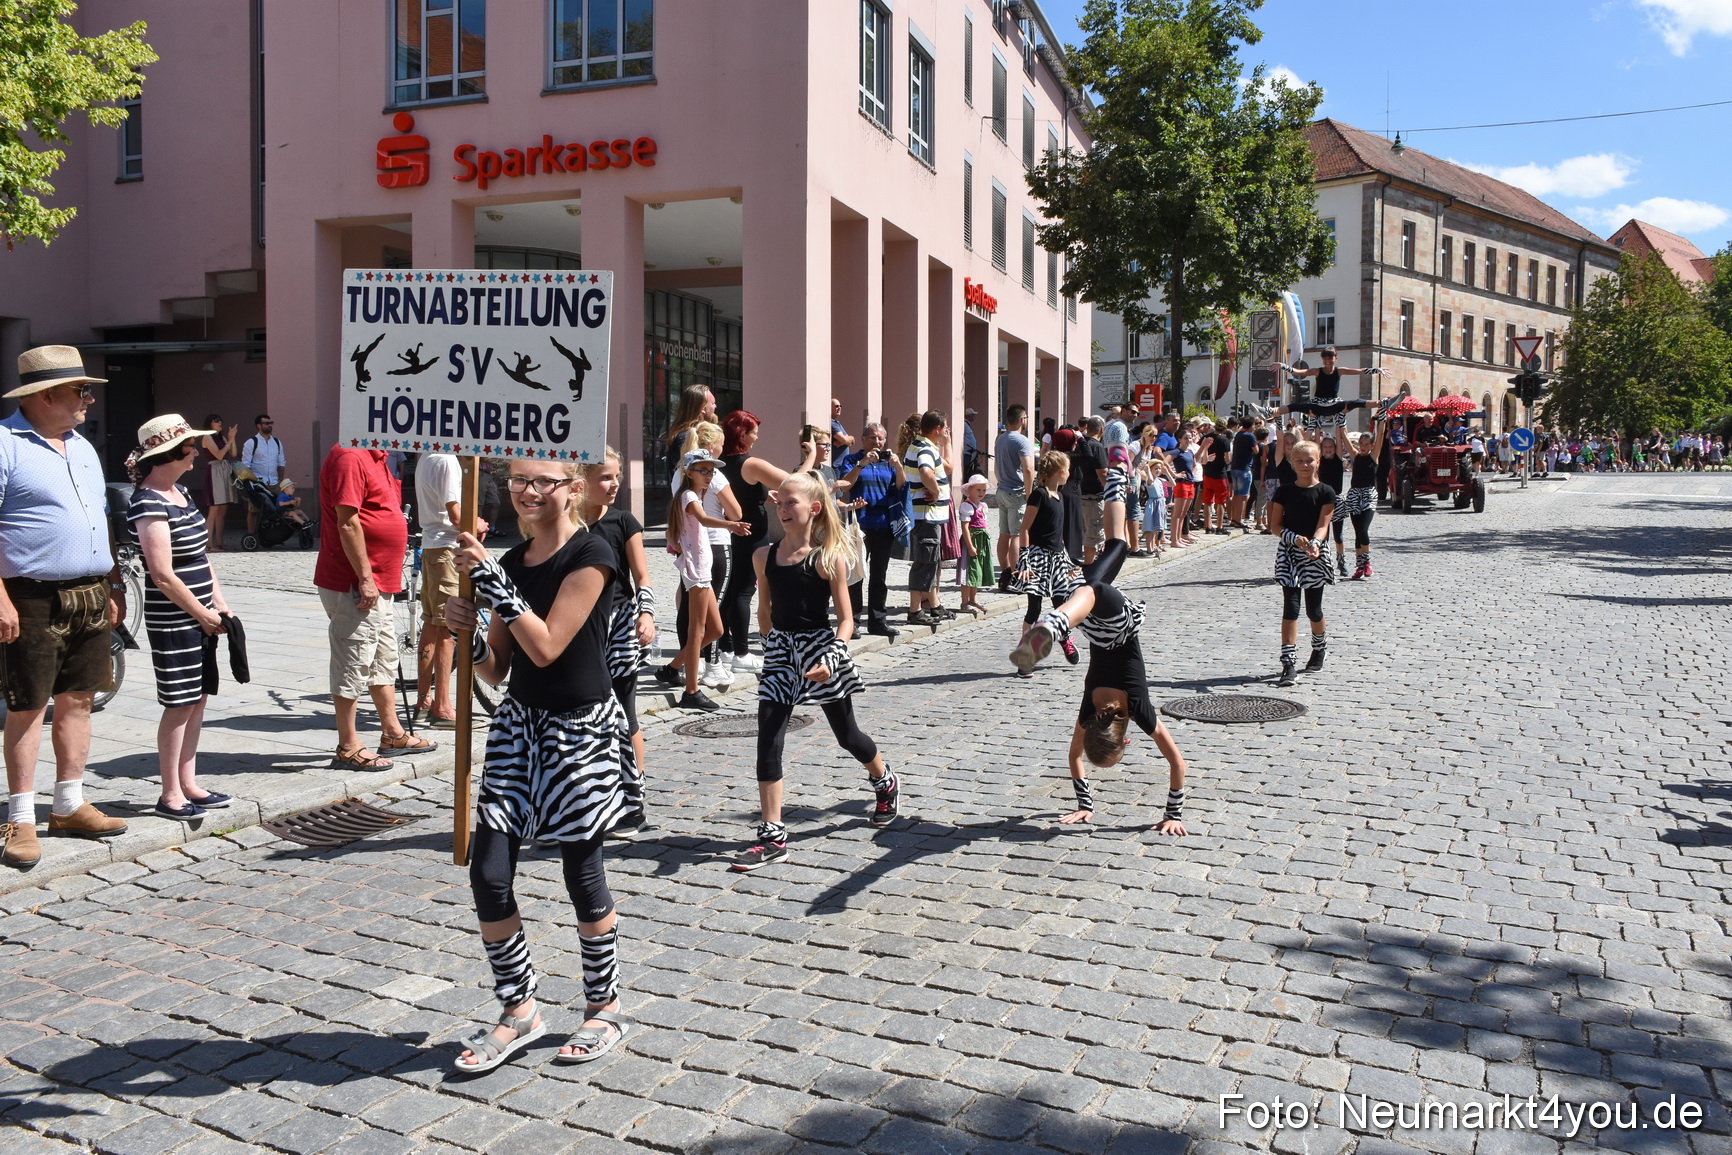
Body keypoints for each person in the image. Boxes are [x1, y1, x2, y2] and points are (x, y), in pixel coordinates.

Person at [443, 458, 640, 1073]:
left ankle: (603, 1007)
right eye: (516, 483)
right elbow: (499, 667)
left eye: (540, 483)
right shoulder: (511, 561)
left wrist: (494, 584)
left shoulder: (593, 555)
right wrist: (471, 637)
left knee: (581, 870)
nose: (525, 493)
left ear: (572, 490)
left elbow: (549, 644)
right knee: (489, 873)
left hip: (580, 729)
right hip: (518, 729)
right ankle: (519, 1009)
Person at [0, 346, 130, 868]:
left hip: (90, 590)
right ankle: (21, 817)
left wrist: (115, 582)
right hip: (30, 594)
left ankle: (69, 804)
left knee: (79, 697)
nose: (88, 398)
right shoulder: (6, 443)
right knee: (28, 703)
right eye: (79, 390)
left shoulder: (81, 446)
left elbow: (99, 517)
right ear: (44, 395)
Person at [735, 472, 895, 871]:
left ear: (814, 509)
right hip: (780, 654)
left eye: (792, 503)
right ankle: (772, 836)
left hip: (822, 651)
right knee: (768, 739)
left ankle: (884, 780)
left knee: (848, 736)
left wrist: (832, 657)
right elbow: (765, 608)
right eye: (780, 502)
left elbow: (846, 619)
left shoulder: (828, 557)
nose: (783, 509)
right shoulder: (763, 556)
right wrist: (770, 644)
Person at [1009, 540, 1190, 835]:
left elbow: (1177, 763)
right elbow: (1074, 756)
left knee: (1100, 573)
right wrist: (1084, 804)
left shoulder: (1138, 708)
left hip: (1116, 621)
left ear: (1125, 740)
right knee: (1097, 574)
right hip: (1091, 623)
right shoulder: (1087, 714)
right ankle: (1058, 622)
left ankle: (1055, 625)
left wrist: (1174, 814)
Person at [125, 415, 236, 822]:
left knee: (199, 697)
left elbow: (200, 558)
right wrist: (201, 612)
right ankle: (170, 793)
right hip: (174, 618)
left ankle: (189, 782)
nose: (197, 451)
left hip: (200, 615)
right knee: (179, 702)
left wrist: (219, 603)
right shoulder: (148, 500)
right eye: (191, 446)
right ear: (173, 453)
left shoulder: (180, 492)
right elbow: (162, 574)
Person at [315, 443, 438, 769]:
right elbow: (347, 521)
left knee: (383, 659)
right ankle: (348, 746)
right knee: (352, 662)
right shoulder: (349, 456)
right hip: (355, 584)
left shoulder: (379, 456)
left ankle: (393, 733)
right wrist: (365, 577)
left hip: (377, 582)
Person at [580, 448, 654, 833]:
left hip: (620, 622)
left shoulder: (624, 521)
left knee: (625, 711)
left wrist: (647, 613)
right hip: (576, 627)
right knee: (585, 711)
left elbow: (642, 576)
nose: (614, 484)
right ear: (582, 479)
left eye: (617, 476)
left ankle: (633, 798)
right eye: (605, 477)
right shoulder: (566, 524)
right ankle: (589, 795)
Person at [717, 411, 812, 668]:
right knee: (744, 591)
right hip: (751, 532)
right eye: (754, 432)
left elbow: (741, 491)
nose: (757, 437)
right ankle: (741, 652)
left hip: (730, 530)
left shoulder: (719, 462)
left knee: (729, 590)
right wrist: (811, 456)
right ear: (742, 434)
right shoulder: (751, 464)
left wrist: (762, 493)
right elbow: (794, 482)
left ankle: (725, 646)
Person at [668, 449, 747, 711]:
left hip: (702, 570)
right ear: (688, 472)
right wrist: (731, 525)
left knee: (716, 630)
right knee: (697, 632)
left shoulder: (693, 495)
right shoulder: (689, 495)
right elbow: (702, 519)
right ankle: (692, 691)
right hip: (697, 572)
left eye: (711, 471)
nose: (709, 475)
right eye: (703, 470)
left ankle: (672, 668)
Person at [1269, 441, 1336, 687]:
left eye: (1309, 460)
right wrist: (1294, 539)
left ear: (1318, 461)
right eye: (1300, 460)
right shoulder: (1284, 491)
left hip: (1315, 554)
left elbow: (1323, 524)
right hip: (1289, 554)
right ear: (1292, 463)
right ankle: (1288, 663)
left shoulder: (1326, 491)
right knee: (1291, 607)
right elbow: (1274, 525)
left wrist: (1315, 544)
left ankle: (1320, 647)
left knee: (1313, 610)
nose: (1305, 464)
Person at [1010, 451, 1082, 677]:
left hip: (1057, 558)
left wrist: (1068, 562)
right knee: (1035, 608)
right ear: (1061, 472)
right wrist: (1025, 562)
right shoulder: (1039, 495)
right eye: (1068, 469)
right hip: (1037, 557)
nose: (1069, 473)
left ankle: (1064, 637)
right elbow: (1025, 529)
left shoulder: (1060, 498)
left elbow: (1058, 536)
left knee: (1062, 606)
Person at [835, 422, 906, 639]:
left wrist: (899, 467)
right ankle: (853, 621)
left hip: (883, 524)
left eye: (881, 438)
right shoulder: (851, 459)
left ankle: (877, 621)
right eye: (873, 437)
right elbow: (844, 485)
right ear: (864, 438)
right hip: (860, 524)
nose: (877, 442)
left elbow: (901, 487)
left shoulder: (888, 463)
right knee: (856, 574)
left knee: (879, 575)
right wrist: (862, 464)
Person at [414, 451, 467, 729]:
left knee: (432, 624)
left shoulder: (427, 456)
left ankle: (424, 700)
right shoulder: (446, 460)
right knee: (448, 626)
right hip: (446, 546)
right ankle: (442, 705)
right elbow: (455, 513)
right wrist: (478, 524)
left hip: (433, 546)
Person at [1256, 348, 1390, 432]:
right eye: (1325, 358)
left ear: (1335, 358)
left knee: (1356, 402)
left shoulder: (1340, 371)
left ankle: (1383, 403)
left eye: (1330, 358)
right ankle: (1269, 411)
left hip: (1333, 404)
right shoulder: (1317, 371)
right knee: (1294, 406)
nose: (1328, 361)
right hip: (1317, 405)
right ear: (1322, 359)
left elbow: (1359, 371)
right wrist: (1283, 366)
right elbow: (1299, 371)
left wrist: (1377, 370)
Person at [903, 410, 954, 626]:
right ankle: (915, 610)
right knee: (924, 562)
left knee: (931, 561)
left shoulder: (923, 445)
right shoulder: (924, 448)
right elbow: (925, 471)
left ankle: (933, 606)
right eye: (944, 428)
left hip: (929, 515)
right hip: (926, 515)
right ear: (938, 429)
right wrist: (935, 491)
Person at [993, 405, 1037, 591]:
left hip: (1002, 489)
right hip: (1017, 491)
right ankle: (1017, 578)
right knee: (1017, 535)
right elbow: (1028, 469)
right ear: (1022, 419)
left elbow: (995, 466)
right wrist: (1029, 493)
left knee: (1004, 534)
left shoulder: (1000, 438)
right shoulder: (1022, 441)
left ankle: (1005, 573)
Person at [1342, 420, 1386, 580]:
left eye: (1367, 444)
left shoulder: (1373, 457)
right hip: (1354, 494)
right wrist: (1340, 424)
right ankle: (1359, 567)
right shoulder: (1356, 456)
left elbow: (1380, 435)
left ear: (1372, 446)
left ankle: (1366, 563)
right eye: (1361, 443)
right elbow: (1346, 441)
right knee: (1357, 531)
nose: (1363, 446)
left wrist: (1382, 420)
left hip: (1368, 495)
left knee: (1363, 529)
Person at [239, 414, 287, 536]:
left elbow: (281, 462)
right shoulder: (251, 443)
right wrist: (251, 481)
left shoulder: (277, 442)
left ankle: (273, 535)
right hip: (258, 482)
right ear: (259, 426)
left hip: (274, 482)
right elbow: (246, 464)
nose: (269, 425)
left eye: (271, 423)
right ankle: (251, 535)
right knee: (254, 510)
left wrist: (281, 481)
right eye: (266, 423)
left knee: (278, 509)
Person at [663, 384, 716, 487]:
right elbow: (692, 476)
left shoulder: (685, 435)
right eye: (713, 403)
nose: (715, 406)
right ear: (703, 408)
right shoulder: (686, 438)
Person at [198, 414, 238, 552]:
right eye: (216, 420)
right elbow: (219, 455)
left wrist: (232, 438)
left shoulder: (221, 437)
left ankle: (219, 542)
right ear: (209, 423)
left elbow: (233, 453)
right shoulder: (207, 437)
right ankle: (209, 544)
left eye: (220, 419)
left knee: (223, 509)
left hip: (225, 470)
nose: (219, 422)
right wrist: (229, 440)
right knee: (214, 508)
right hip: (215, 471)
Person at [957, 475, 993, 616]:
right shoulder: (967, 506)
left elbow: (985, 524)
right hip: (971, 540)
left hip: (982, 542)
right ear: (969, 489)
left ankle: (973, 599)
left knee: (976, 571)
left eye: (983, 490)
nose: (981, 493)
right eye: (978, 490)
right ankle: (964, 602)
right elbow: (965, 528)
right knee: (968, 572)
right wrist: (970, 546)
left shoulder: (983, 506)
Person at [1317, 436, 1348, 577]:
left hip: (1337, 500)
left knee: (1338, 535)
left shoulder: (1337, 460)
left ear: (1335, 449)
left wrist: (1338, 419)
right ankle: (1324, 561)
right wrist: (1315, 421)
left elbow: (1340, 438)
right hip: (1323, 501)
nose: (1328, 449)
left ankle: (1341, 561)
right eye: (1325, 447)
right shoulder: (1319, 461)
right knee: (1324, 534)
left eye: (1331, 447)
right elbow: (1317, 441)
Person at [1196, 416, 1231, 535]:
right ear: (1225, 428)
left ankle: (1208, 525)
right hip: (1220, 473)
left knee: (1207, 501)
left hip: (1207, 472)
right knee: (1220, 501)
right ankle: (1220, 526)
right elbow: (1227, 458)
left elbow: (1198, 449)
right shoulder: (1225, 440)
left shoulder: (1206, 438)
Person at [1228, 416, 1257, 530]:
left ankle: (1234, 519)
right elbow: (1256, 450)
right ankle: (1239, 519)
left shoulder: (1238, 435)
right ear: (1251, 425)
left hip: (1234, 468)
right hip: (1244, 468)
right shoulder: (1250, 436)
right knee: (1243, 496)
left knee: (1236, 495)